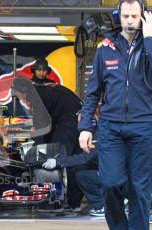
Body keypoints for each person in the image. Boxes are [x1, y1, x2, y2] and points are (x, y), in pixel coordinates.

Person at [78, 1, 152, 229]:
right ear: (118, 17)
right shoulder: (105, 48)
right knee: (110, 183)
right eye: (125, 15)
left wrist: (150, 39)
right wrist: (85, 127)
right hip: (111, 128)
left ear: (143, 17)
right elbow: (93, 92)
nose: (129, 20)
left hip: (144, 126)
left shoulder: (149, 45)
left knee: (140, 187)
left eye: (134, 16)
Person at [11, 77, 83, 212]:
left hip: (68, 122)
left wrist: (38, 150)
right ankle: (74, 203)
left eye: (18, 94)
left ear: (24, 90)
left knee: (53, 157)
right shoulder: (42, 90)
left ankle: (54, 203)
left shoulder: (36, 96)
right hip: (76, 120)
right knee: (72, 162)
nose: (19, 98)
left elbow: (40, 129)